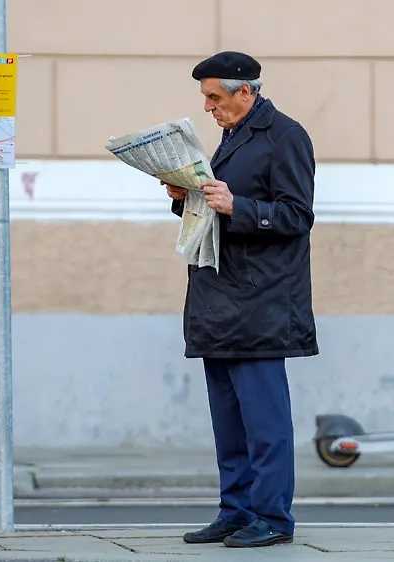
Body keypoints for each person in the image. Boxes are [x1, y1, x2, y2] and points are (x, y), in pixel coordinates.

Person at [160, 51, 319, 549]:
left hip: (262, 302)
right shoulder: (233, 136)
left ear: (245, 91)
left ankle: (273, 517)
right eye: (205, 98)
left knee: (264, 423)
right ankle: (236, 510)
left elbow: (297, 215)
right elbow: (220, 205)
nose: (208, 107)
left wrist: (238, 206)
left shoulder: (286, 136)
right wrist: (184, 195)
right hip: (220, 299)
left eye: (214, 97)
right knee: (228, 422)